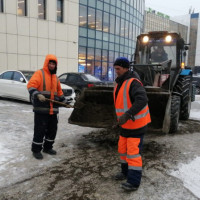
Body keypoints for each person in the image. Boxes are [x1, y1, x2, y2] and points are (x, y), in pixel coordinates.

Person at [113, 57, 151, 191]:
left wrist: (128, 114)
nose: (116, 71)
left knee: (133, 153)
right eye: (115, 69)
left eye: (118, 69)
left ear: (125, 68)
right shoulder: (119, 83)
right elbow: (121, 104)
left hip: (136, 125)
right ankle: (125, 172)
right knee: (123, 150)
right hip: (125, 125)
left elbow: (142, 100)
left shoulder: (133, 82)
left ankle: (133, 181)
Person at [27, 54, 68, 160]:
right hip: (41, 109)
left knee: (52, 130)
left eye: (53, 63)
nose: (51, 65)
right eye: (50, 63)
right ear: (46, 63)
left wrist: (64, 101)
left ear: (55, 65)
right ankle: (36, 150)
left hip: (53, 110)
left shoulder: (55, 78)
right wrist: (37, 94)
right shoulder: (39, 73)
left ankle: (47, 148)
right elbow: (31, 85)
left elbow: (59, 92)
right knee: (40, 130)